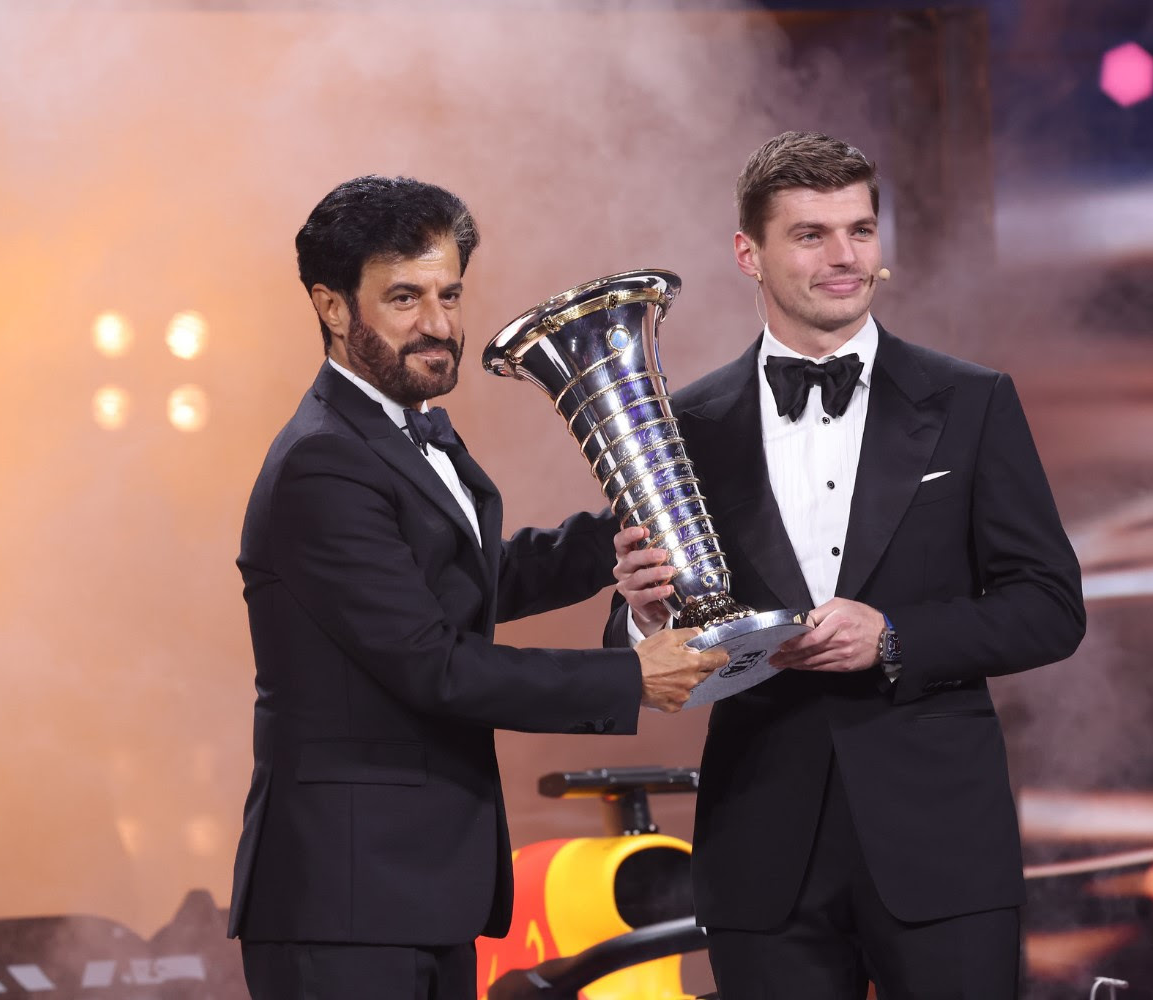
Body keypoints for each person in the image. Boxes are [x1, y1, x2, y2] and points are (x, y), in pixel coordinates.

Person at [610, 133, 1085, 999]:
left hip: (941, 847)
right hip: (761, 849)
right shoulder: (686, 426)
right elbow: (662, 638)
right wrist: (643, 614)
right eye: (812, 235)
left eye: (860, 231)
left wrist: (895, 635)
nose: (845, 259)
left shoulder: (972, 400)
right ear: (747, 253)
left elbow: (1050, 605)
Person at [229, 175, 725, 1000]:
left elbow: (466, 577)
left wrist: (624, 531)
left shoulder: (402, 425)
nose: (440, 324)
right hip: (344, 903)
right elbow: (433, 663)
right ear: (330, 305)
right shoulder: (322, 463)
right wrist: (631, 677)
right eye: (403, 298)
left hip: (413, 888)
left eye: (449, 293)